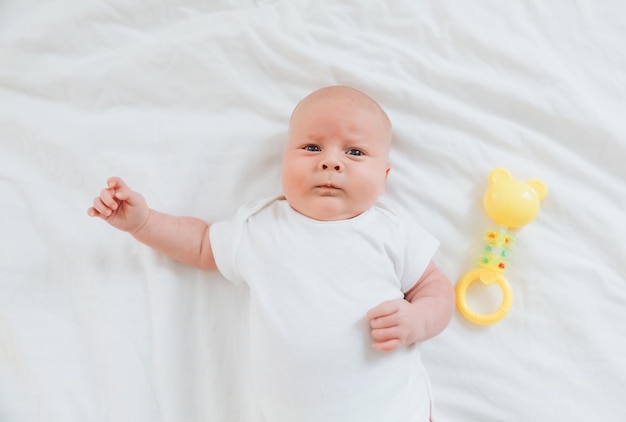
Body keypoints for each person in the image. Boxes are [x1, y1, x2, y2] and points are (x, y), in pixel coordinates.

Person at [88, 86, 455, 421]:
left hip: (389, 410)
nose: (330, 162)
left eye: (355, 152)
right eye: (312, 148)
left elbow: (435, 288)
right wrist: (143, 222)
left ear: (384, 176)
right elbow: (201, 244)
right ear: (283, 160)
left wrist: (418, 320)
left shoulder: (391, 229)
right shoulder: (259, 227)